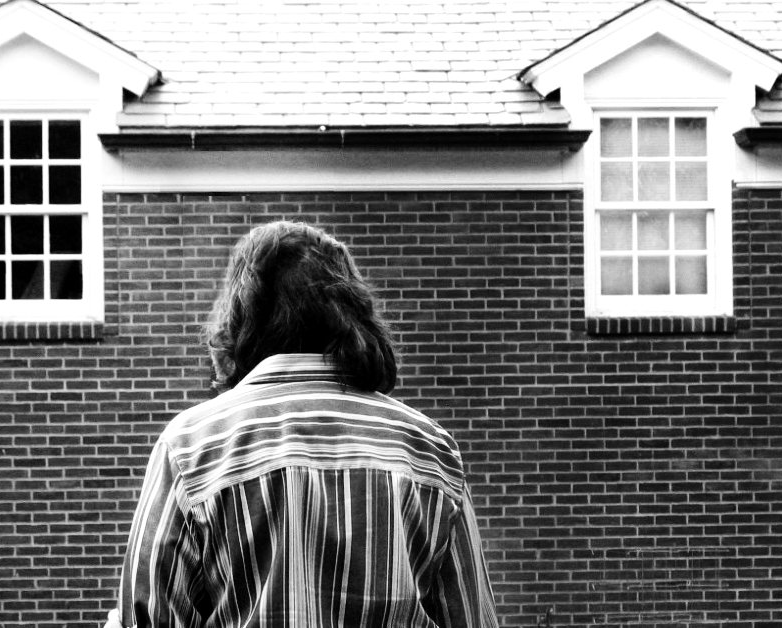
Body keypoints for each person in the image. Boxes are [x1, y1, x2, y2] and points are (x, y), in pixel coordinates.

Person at [107, 221, 498, 628]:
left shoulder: (191, 446)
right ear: (352, 312)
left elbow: (147, 617)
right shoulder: (430, 449)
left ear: (242, 317)